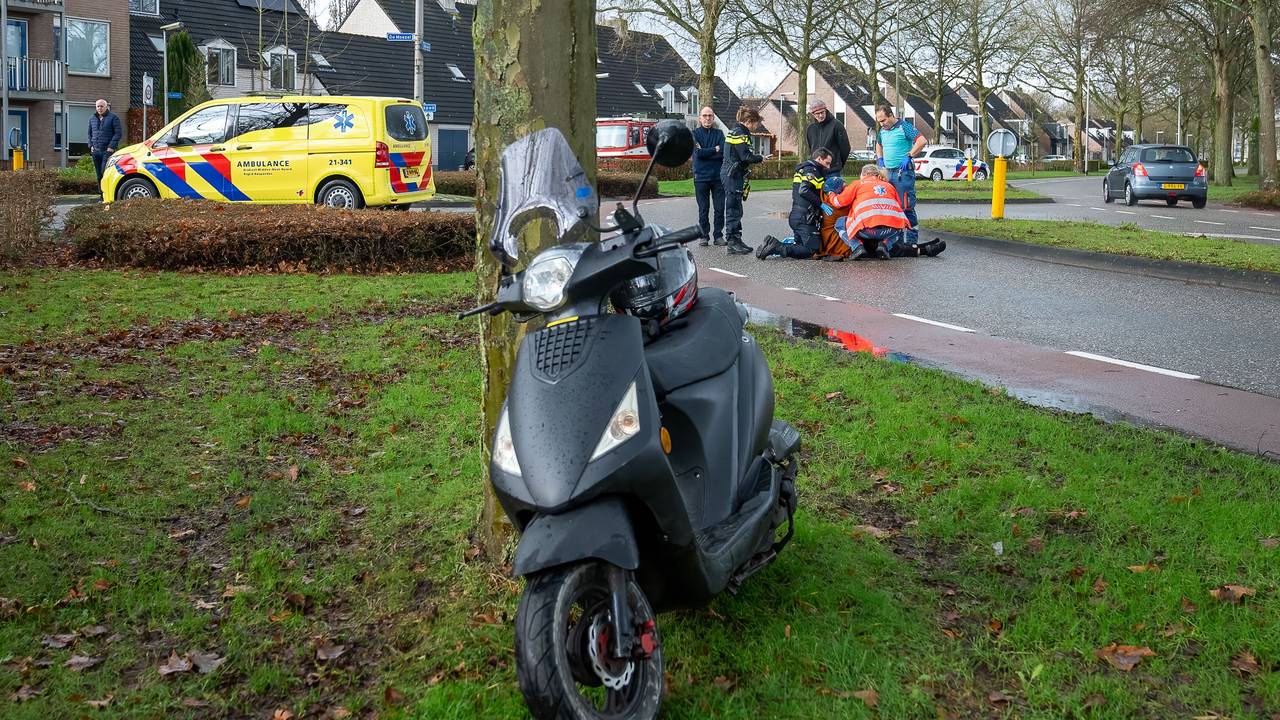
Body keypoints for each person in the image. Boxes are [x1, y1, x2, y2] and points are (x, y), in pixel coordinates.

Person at [827, 165, 945, 259]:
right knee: (899, 227)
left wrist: (831, 193)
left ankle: (856, 247)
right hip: (888, 231)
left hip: (865, 231)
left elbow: (838, 202)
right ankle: (887, 245)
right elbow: (899, 208)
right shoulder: (889, 186)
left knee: (840, 223)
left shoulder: (857, 184)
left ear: (865, 174)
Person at [755, 149, 833, 260]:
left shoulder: (803, 169)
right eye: (827, 163)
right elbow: (804, 190)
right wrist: (821, 204)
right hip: (805, 217)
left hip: (797, 215)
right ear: (819, 159)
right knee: (811, 249)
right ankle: (776, 247)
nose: (828, 167)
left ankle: (769, 244)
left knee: (799, 246)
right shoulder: (812, 170)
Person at [874, 104, 927, 249]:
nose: (882, 124)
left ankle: (911, 240)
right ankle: (895, 240)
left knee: (906, 205)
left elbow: (922, 141)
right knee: (892, 207)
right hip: (888, 172)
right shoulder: (883, 130)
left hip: (903, 172)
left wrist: (910, 155)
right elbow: (879, 144)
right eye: (879, 121)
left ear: (891, 115)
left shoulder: (905, 127)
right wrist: (880, 158)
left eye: (883, 120)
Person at [720, 106, 764, 256]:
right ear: (748, 121)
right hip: (732, 175)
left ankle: (737, 240)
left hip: (734, 174)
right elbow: (745, 156)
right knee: (733, 209)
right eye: (756, 123)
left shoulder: (738, 131)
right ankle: (732, 242)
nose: (757, 126)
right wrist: (760, 158)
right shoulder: (740, 133)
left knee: (737, 208)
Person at [691, 106, 726, 247]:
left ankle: (718, 236)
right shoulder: (694, 134)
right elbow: (698, 154)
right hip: (701, 178)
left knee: (719, 208)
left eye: (710, 115)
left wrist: (708, 151)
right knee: (703, 208)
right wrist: (714, 149)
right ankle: (704, 236)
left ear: (713, 117)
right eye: (704, 115)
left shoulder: (719, 134)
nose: (707, 118)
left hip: (717, 177)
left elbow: (723, 152)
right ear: (700, 118)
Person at [804, 99, 850, 177]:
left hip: (833, 170)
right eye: (817, 113)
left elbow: (845, 148)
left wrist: (838, 163)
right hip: (816, 170)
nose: (821, 115)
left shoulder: (837, 125)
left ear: (826, 110)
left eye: (822, 112)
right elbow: (810, 149)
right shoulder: (810, 129)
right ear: (813, 114)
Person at [88, 99, 123, 193]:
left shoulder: (113, 118)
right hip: (95, 151)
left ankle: (108, 194)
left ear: (106, 106)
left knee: (105, 173)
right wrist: (90, 145)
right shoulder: (92, 118)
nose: (99, 108)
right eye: (98, 106)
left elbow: (118, 133)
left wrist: (111, 147)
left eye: (101, 106)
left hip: (106, 151)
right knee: (99, 175)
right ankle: (101, 195)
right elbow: (89, 133)